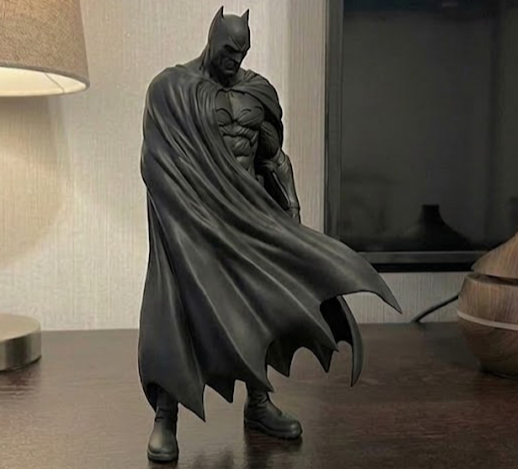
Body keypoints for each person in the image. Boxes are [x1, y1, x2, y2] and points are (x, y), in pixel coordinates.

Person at [138, 7, 400, 463]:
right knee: (176, 311)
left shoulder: (257, 93)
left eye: (241, 53)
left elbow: (274, 160)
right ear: (212, 39)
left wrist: (292, 213)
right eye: (227, 51)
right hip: (193, 225)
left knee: (262, 305)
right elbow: (157, 163)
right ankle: (166, 416)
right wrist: (185, 216)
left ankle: (258, 404)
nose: (233, 61)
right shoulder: (171, 90)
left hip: (251, 221)